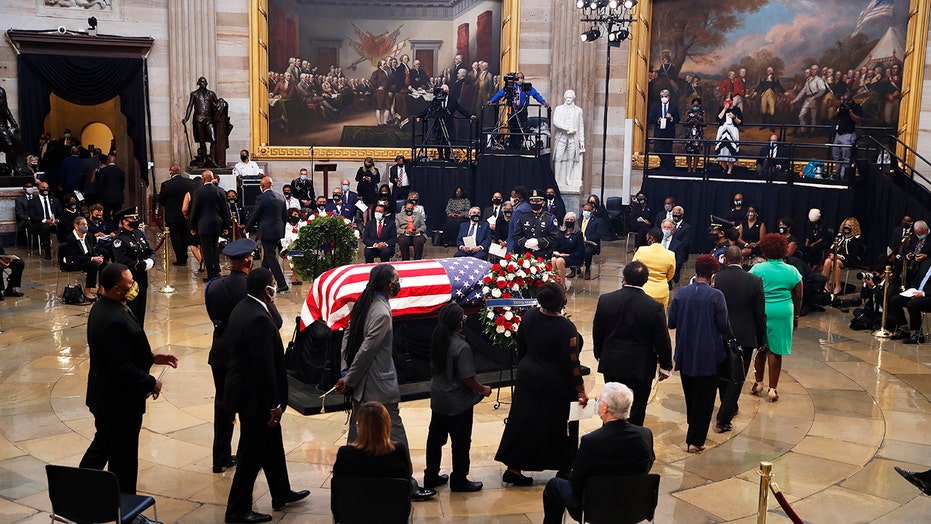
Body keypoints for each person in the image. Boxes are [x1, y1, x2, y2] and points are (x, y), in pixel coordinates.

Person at [334, 264, 436, 501]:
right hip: (377, 387)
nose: (399, 283)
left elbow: (347, 338)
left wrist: (346, 371)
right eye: (397, 279)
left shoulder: (363, 302)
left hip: (361, 386)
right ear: (389, 285)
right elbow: (367, 350)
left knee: (357, 436)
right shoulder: (381, 312)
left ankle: (351, 484)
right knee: (396, 436)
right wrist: (349, 378)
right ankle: (408, 486)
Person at [80, 263, 179, 496]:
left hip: (114, 399)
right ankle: (80, 496)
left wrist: (152, 358)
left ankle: (109, 500)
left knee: (113, 450)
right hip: (116, 402)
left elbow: (123, 350)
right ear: (116, 288)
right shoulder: (110, 317)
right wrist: (150, 382)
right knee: (114, 454)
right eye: (130, 283)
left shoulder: (111, 305)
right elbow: (120, 366)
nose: (134, 285)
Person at [223, 269, 309, 522]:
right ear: (265, 289)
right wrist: (274, 404)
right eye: (273, 283)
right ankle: (237, 509)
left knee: (272, 446)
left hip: (246, 391)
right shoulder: (258, 317)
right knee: (250, 454)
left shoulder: (244, 307)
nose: (276, 287)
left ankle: (281, 492)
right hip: (255, 397)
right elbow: (264, 366)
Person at [495, 282, 588, 485]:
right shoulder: (567, 328)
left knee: (522, 422)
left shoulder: (529, 316)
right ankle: (565, 468)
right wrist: (580, 390)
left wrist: (528, 368)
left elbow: (521, 347)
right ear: (562, 301)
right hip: (555, 384)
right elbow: (572, 363)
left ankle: (513, 468)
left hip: (528, 377)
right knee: (564, 425)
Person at [541, 382, 655, 524]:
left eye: (598, 400)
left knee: (554, 485)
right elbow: (646, 467)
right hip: (634, 506)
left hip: (595, 508)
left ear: (605, 407)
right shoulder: (645, 435)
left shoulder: (592, 441)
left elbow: (576, 482)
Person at [592, 262, 672, 426]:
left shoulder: (606, 300)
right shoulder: (654, 307)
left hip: (612, 363)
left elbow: (597, 331)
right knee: (637, 409)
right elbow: (662, 339)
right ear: (646, 280)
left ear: (624, 277)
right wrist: (665, 366)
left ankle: (609, 436)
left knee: (611, 406)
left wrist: (600, 354)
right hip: (640, 367)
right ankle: (632, 439)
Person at [424, 303, 491, 492]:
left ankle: (431, 476)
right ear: (459, 323)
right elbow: (467, 378)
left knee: (435, 440)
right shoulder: (462, 347)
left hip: (438, 399)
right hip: (458, 403)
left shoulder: (437, 340)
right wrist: (483, 389)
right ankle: (459, 480)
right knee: (461, 443)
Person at [668, 255, 730, 453]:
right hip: (708, 354)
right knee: (705, 399)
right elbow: (724, 326)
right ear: (713, 273)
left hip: (685, 352)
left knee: (690, 395)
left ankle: (692, 426)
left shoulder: (681, 293)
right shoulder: (716, 296)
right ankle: (695, 440)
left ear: (696, 271)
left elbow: (671, 322)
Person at [204, 238, 256, 475]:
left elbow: (213, 316)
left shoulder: (213, 285)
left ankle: (220, 458)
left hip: (219, 351)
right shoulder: (251, 288)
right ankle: (247, 458)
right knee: (247, 407)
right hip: (243, 354)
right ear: (249, 261)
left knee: (222, 405)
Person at [712, 246, 767, 433]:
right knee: (737, 377)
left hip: (722, 333)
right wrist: (761, 337)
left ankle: (729, 406)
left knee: (723, 374)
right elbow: (760, 313)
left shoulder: (717, 278)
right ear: (742, 260)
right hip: (745, 336)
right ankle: (724, 418)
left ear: (725, 260)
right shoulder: (755, 280)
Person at [749, 234, 803, 403]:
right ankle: (773, 389)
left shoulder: (757, 269)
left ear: (765, 250)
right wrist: (796, 316)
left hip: (762, 311)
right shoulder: (792, 271)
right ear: (784, 250)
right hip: (783, 311)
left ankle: (758, 384)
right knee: (776, 351)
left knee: (760, 348)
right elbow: (798, 296)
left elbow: (749, 290)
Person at [333, 401, 412, 480]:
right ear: (387, 425)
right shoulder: (398, 451)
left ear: (359, 427)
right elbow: (406, 482)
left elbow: (337, 484)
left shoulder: (345, 454)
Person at [112, 208, 156, 326]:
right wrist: (141, 265)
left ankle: (139, 331)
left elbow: (150, 250)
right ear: (125, 221)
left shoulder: (139, 233)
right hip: (128, 280)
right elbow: (123, 261)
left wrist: (151, 260)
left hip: (142, 279)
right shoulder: (119, 239)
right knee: (130, 313)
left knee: (140, 312)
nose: (136, 220)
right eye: (133, 218)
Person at [245, 176, 289, 292]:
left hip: (267, 231)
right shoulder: (280, 197)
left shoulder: (261, 198)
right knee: (267, 259)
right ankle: (261, 281)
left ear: (262, 186)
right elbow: (285, 217)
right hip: (278, 231)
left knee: (270, 257)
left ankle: (282, 283)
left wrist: (247, 228)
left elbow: (255, 214)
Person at [487, 71, 548, 150]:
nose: (520, 79)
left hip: (522, 110)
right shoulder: (510, 87)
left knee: (522, 128)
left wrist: (543, 102)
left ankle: (520, 145)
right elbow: (500, 94)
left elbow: (536, 95)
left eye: (522, 78)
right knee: (512, 128)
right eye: (518, 78)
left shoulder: (526, 87)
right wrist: (492, 101)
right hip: (512, 110)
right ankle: (512, 145)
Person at [189, 170, 231, 282]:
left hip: (203, 224)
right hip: (217, 223)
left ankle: (211, 274)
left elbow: (195, 210)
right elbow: (225, 210)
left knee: (206, 250)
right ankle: (217, 270)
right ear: (212, 178)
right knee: (215, 247)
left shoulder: (198, 192)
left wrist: (192, 226)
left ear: (203, 179)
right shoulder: (220, 191)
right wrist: (226, 226)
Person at [61, 216, 105, 301]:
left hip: (87, 258)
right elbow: (75, 257)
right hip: (74, 262)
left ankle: (101, 288)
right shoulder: (71, 238)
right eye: (83, 224)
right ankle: (87, 290)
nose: (85, 226)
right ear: (76, 226)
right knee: (93, 266)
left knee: (104, 263)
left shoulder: (88, 236)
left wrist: (97, 257)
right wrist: (92, 259)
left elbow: (92, 251)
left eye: (86, 224)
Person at [159, 165, 194, 265]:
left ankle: (180, 258)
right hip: (186, 215)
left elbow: (162, 200)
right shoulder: (189, 183)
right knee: (185, 236)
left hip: (173, 216)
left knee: (176, 238)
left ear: (171, 172)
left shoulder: (166, 185)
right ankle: (184, 256)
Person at [632, 228, 676, 308]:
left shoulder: (641, 250)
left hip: (643, 289)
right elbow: (670, 274)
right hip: (661, 291)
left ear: (651, 238)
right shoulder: (670, 254)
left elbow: (633, 269)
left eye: (647, 237)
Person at [821, 217, 864, 295]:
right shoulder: (840, 236)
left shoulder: (857, 239)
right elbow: (833, 248)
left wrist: (839, 257)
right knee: (827, 261)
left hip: (851, 260)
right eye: (845, 225)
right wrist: (832, 254)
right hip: (838, 258)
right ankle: (825, 286)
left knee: (836, 263)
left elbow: (854, 254)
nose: (846, 227)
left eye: (849, 225)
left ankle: (838, 287)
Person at [183, 77, 220, 166]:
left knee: (213, 140)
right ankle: (203, 160)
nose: (203, 83)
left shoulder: (211, 94)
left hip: (209, 119)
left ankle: (212, 160)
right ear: (198, 83)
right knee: (201, 140)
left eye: (204, 82)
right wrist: (186, 118)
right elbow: (190, 106)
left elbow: (217, 105)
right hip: (199, 119)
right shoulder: (194, 94)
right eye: (202, 82)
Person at [513, 188, 560, 259]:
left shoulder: (550, 218)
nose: (534, 203)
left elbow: (554, 237)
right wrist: (525, 242)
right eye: (532, 201)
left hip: (543, 255)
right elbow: (516, 235)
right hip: (526, 255)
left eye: (537, 201)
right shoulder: (523, 217)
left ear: (543, 203)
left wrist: (538, 242)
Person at [551, 89, 585, 187]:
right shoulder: (559, 109)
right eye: (567, 97)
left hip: (573, 137)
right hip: (561, 136)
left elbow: (581, 126)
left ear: (573, 98)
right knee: (558, 157)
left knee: (571, 158)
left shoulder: (578, 110)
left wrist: (582, 140)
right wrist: (566, 128)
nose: (569, 99)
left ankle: (567, 178)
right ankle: (556, 178)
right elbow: (555, 122)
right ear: (564, 97)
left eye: (570, 98)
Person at [26, 181, 61, 260]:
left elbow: (60, 212)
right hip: (39, 223)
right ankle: (47, 252)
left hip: (54, 222)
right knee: (45, 227)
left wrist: (57, 220)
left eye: (47, 188)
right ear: (39, 189)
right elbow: (32, 216)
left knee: (65, 224)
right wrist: (45, 221)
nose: (46, 189)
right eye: (43, 188)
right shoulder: (33, 201)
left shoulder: (55, 200)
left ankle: (64, 250)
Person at [831, 93, 862, 180]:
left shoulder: (856, 107)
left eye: (846, 100)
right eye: (843, 100)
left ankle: (843, 177)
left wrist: (849, 110)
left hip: (848, 135)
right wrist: (839, 109)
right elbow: (832, 116)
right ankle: (837, 174)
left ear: (850, 100)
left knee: (846, 158)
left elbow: (857, 119)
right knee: (836, 155)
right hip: (838, 134)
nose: (844, 102)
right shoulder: (841, 107)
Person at [551, 212, 585, 286]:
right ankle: (555, 282)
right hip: (561, 255)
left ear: (575, 222)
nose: (569, 221)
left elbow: (580, 252)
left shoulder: (578, 234)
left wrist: (566, 255)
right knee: (553, 259)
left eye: (571, 220)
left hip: (574, 257)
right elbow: (555, 246)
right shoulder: (560, 233)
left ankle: (562, 284)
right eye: (567, 219)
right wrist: (556, 253)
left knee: (559, 261)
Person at [649, 88, 680, 170]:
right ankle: (671, 160)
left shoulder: (673, 107)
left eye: (665, 96)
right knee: (657, 149)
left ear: (669, 97)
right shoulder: (656, 107)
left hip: (669, 132)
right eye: (662, 96)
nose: (664, 98)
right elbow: (651, 119)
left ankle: (665, 168)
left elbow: (677, 119)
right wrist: (657, 120)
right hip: (659, 131)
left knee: (667, 150)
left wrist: (671, 118)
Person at [715, 93, 742, 175]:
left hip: (732, 131)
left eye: (729, 101)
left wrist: (734, 117)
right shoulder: (721, 108)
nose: (727, 102)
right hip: (723, 131)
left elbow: (740, 122)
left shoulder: (736, 109)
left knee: (731, 150)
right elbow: (718, 119)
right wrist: (724, 109)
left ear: (732, 101)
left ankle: (729, 170)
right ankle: (723, 169)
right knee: (723, 150)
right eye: (726, 101)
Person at [579, 202, 605, 280]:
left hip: (591, 244)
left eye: (588, 210)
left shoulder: (598, 221)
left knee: (587, 251)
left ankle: (587, 269)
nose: (586, 212)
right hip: (579, 243)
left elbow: (598, 235)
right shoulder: (578, 220)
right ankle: (574, 269)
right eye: (585, 210)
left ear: (592, 211)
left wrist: (586, 238)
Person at [683, 97, 706, 173]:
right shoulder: (688, 112)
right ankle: (689, 168)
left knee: (697, 151)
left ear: (699, 105)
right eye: (694, 105)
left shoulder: (702, 112)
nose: (695, 107)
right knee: (688, 151)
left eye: (697, 106)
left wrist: (698, 122)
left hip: (698, 133)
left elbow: (705, 123)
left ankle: (694, 169)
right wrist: (690, 122)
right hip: (689, 133)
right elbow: (684, 123)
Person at [506, 185, 532, 252]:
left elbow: (516, 231)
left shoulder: (519, 211)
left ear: (517, 198)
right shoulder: (527, 207)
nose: (511, 198)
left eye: (512, 196)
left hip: (515, 247)